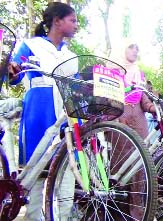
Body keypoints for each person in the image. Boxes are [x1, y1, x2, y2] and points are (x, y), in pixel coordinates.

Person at [8, 2, 77, 220]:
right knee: (37, 177)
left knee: (67, 175)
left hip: (65, 120)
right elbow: (15, 74)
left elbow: (77, 87)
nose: (76, 25)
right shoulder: (31, 45)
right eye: (72, 20)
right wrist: (12, 69)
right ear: (57, 21)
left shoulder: (70, 55)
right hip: (39, 116)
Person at [114, 43, 155, 139]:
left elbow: (144, 99)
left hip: (140, 126)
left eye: (137, 49)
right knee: (122, 153)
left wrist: (154, 108)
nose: (135, 51)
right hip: (120, 124)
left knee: (142, 153)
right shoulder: (111, 72)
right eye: (131, 47)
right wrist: (117, 117)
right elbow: (107, 99)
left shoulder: (139, 74)